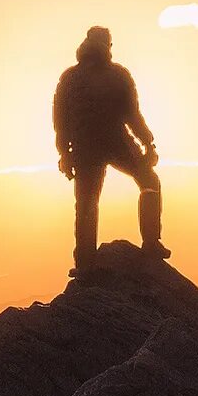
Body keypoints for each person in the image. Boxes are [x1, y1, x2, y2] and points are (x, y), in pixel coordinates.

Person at [52, 26, 165, 266]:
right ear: (108, 45)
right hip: (117, 141)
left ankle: (85, 262)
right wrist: (148, 143)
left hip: (84, 147)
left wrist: (65, 153)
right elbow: (132, 115)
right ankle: (151, 243)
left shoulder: (70, 77)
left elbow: (60, 121)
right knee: (149, 182)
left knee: (86, 202)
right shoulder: (118, 75)